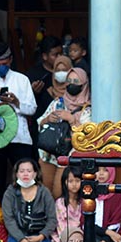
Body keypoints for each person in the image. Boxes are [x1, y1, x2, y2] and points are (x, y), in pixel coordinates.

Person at [0, 43, 37, 189]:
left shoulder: (22, 79)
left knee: (25, 178)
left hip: (20, 137)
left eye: (4, 63)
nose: (1, 67)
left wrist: (16, 102)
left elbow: (32, 109)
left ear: (10, 60)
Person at [36, 67, 90, 195]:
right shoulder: (57, 102)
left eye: (76, 81)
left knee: (58, 192)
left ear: (84, 84)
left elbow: (88, 136)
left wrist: (72, 120)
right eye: (69, 80)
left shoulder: (87, 109)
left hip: (69, 156)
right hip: (49, 155)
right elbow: (40, 123)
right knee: (46, 192)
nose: (72, 84)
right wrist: (48, 119)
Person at [2, 159, 56, 242]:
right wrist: (22, 239)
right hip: (17, 236)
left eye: (29, 171)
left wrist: (41, 236)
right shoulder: (10, 192)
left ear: (35, 174)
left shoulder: (44, 192)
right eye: (22, 171)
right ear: (16, 174)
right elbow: (9, 219)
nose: (25, 174)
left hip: (40, 236)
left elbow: (52, 219)